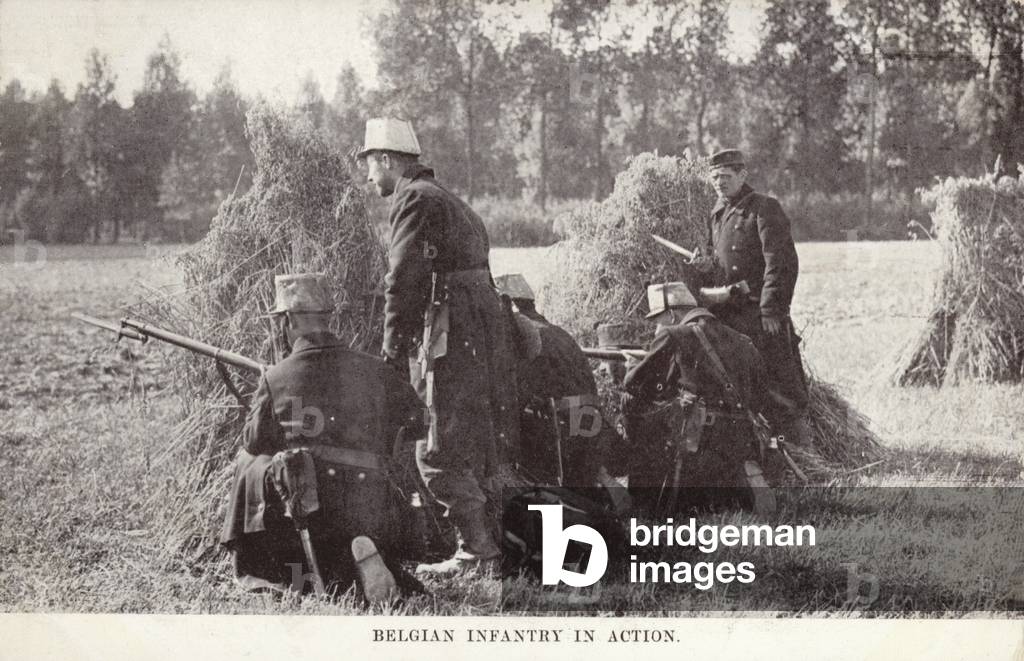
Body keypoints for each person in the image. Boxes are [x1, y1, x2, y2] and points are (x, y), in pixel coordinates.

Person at [356, 118, 519, 577]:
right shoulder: (449, 199)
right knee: (465, 437)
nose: (369, 176)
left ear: (387, 160)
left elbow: (401, 279)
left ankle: (477, 553)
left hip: (451, 334)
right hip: (480, 335)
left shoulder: (412, 199)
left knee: (435, 446)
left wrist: (391, 350)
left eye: (370, 164)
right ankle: (484, 544)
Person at [219, 274, 427, 602]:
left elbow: (254, 441)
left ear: (286, 322)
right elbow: (418, 422)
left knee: (250, 463)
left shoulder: (277, 377)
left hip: (313, 510)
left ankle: (260, 569)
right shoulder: (374, 368)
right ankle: (370, 559)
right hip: (371, 504)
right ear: (328, 319)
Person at [621, 281, 776, 515]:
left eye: (657, 321)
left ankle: (644, 503)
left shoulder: (673, 335)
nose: (656, 328)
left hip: (699, 446)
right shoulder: (742, 340)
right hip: (741, 443)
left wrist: (633, 365)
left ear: (672, 315)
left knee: (629, 402)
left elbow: (633, 384)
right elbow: (762, 396)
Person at [697, 148, 809, 444]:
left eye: (725, 176)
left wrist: (772, 310)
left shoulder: (764, 208)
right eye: (714, 177)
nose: (719, 182)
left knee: (781, 390)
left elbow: (781, 262)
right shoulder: (717, 214)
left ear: (742, 175)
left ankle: (804, 457)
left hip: (758, 317)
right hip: (728, 316)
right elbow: (720, 265)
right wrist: (706, 266)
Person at [495, 273, 608, 488]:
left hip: (559, 426)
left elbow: (517, 394)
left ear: (510, 307)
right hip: (590, 423)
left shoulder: (523, 336)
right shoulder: (560, 333)